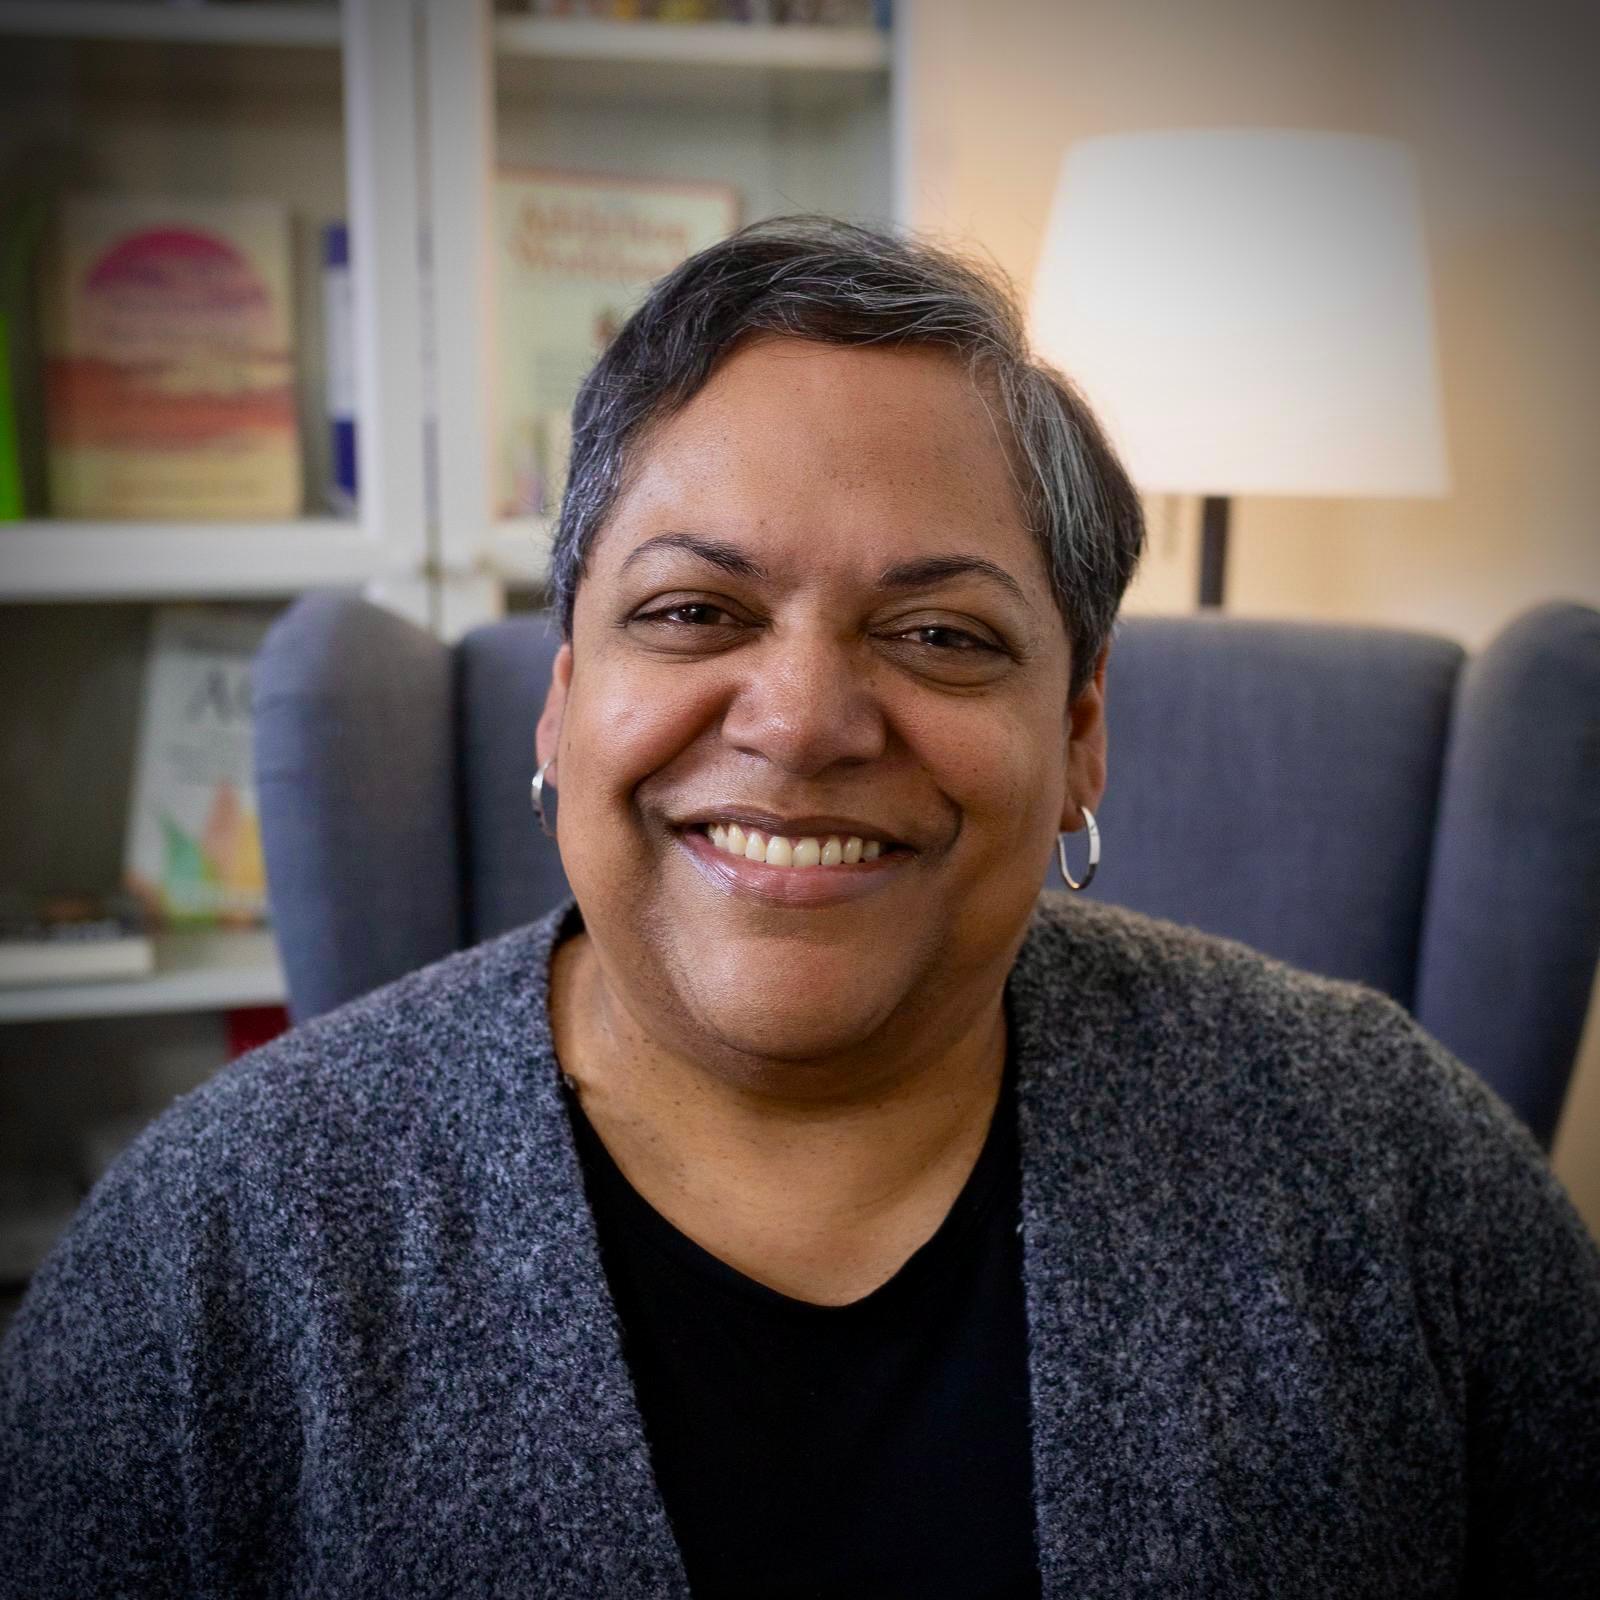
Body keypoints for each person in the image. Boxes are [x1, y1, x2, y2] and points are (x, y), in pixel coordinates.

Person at [2, 217, 1598, 1599]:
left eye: (943, 635)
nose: (804, 721)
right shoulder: (218, 1246)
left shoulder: (1388, 1161)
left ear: (1079, 734)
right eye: (695, 611)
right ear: (564, 698)